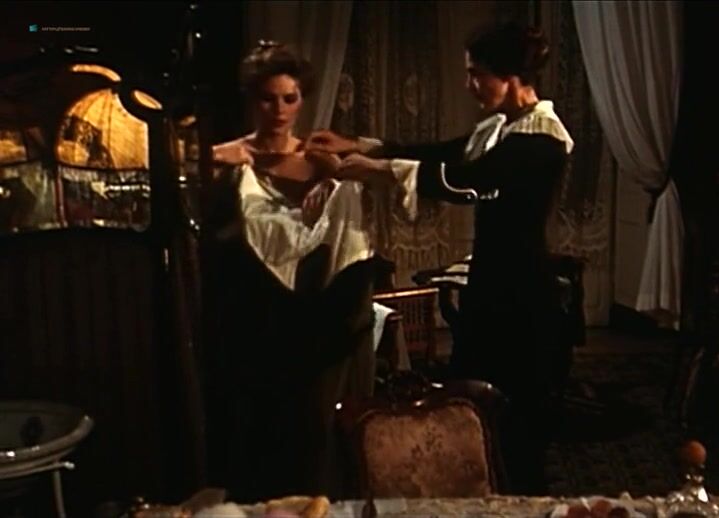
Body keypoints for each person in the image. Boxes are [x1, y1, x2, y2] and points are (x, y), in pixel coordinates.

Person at [310, 22, 574, 494]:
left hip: (523, 296)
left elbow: (467, 179)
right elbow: (440, 153)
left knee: (517, 419)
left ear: (510, 75)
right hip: (492, 283)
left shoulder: (542, 139)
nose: (470, 85)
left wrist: (374, 170)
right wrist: (359, 145)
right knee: (473, 403)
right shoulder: (501, 127)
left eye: (477, 74)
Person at [204, 41, 378, 502]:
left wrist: (336, 179)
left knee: (312, 443)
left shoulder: (321, 161)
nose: (279, 110)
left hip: (313, 325)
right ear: (251, 99)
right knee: (256, 445)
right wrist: (212, 166)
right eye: (268, 98)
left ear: (302, 100)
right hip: (252, 323)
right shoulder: (226, 159)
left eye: (289, 98)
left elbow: (346, 244)